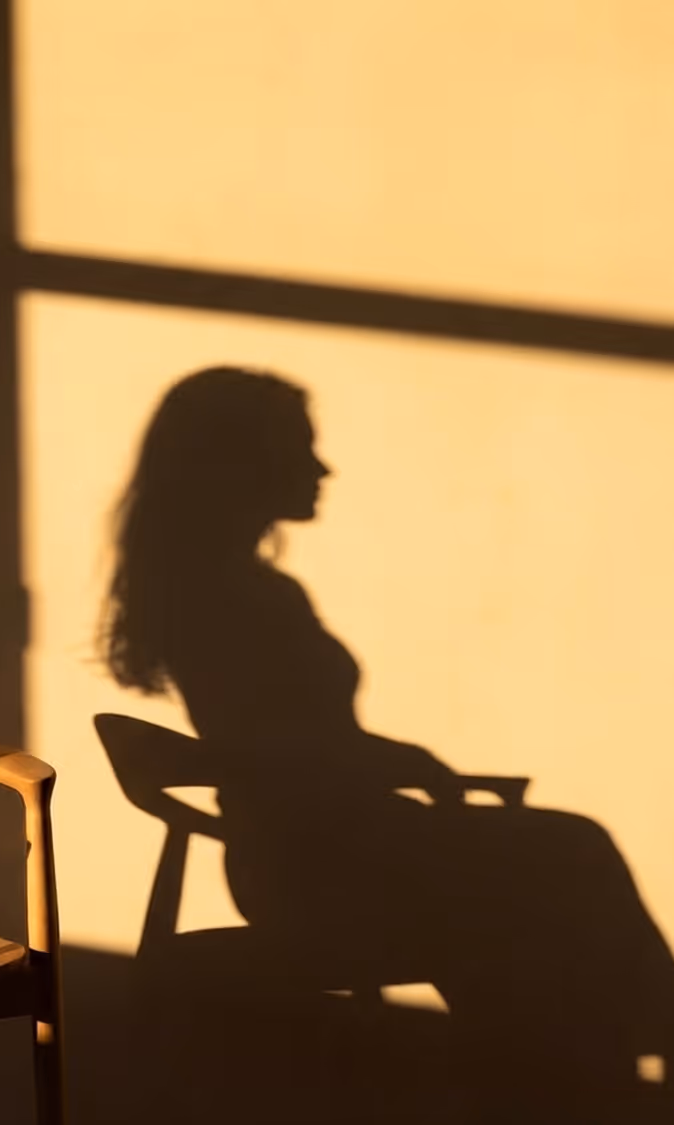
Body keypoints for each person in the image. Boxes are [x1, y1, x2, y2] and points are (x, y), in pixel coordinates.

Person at [101, 365, 674, 1117]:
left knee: (549, 881)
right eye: (299, 448)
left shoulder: (223, 589)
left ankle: (573, 1081)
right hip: (325, 858)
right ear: (240, 461)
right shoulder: (230, 596)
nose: (321, 467)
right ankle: (606, 1074)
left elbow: (293, 740)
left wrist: (400, 764)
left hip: (330, 844)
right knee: (565, 857)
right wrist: (406, 763)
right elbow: (281, 748)